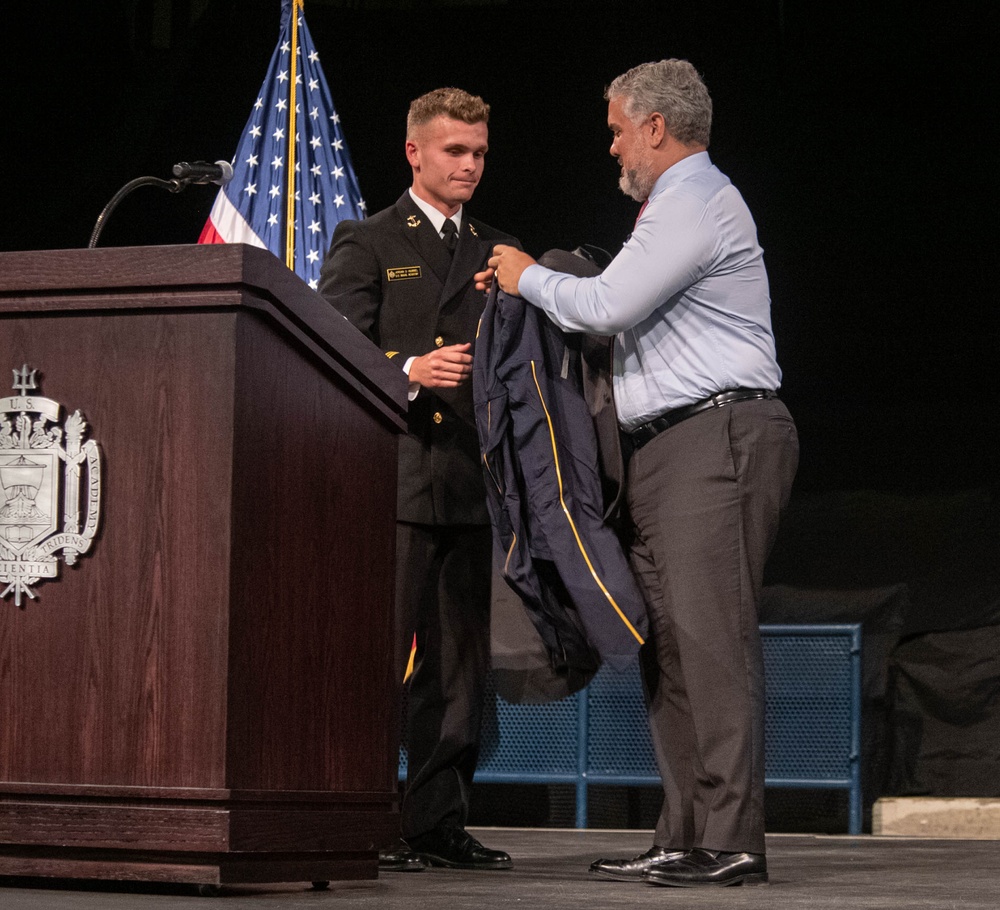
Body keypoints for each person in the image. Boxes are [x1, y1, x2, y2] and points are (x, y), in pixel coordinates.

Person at [486, 59, 799, 887]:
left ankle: (733, 840)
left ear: (656, 127)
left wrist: (528, 276)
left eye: (620, 129)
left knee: (712, 641)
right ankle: (685, 830)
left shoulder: (695, 198)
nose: (614, 145)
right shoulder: (673, 207)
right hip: (666, 450)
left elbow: (608, 306)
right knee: (670, 650)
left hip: (715, 438)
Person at [318, 87, 517, 872]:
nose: (469, 166)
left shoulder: (500, 252)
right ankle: (359, 813)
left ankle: (435, 819)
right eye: (454, 152)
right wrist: (409, 369)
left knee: (459, 668)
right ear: (414, 153)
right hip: (394, 479)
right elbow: (328, 347)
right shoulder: (366, 241)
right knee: (375, 659)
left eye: (478, 153)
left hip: (470, 482)